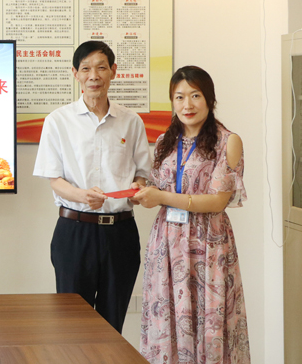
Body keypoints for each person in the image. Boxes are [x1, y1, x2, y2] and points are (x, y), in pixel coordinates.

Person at [133, 66, 250, 363]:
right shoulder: (165, 141)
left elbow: (217, 201)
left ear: (209, 99)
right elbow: (159, 186)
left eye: (195, 95)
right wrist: (142, 191)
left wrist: (162, 197)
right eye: (179, 97)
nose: (187, 104)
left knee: (209, 319)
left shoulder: (228, 141)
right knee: (168, 317)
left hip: (208, 243)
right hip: (167, 242)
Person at [33, 40, 150, 333]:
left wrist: (137, 188)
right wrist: (82, 196)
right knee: (72, 325)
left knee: (112, 324)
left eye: (101, 68)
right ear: (75, 74)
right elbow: (54, 179)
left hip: (120, 234)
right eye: (85, 69)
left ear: (113, 71)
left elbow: (142, 174)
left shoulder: (131, 121)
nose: (93, 76)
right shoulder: (58, 121)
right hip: (75, 232)